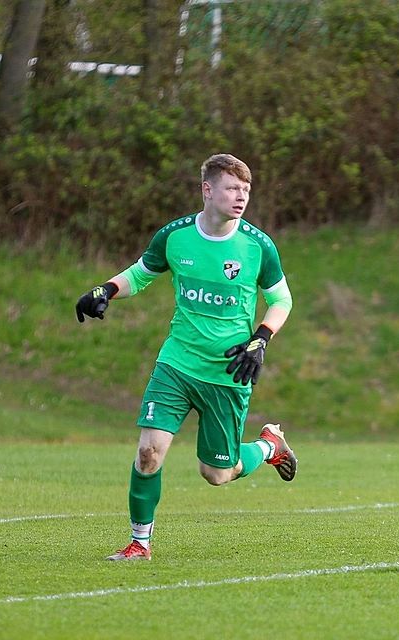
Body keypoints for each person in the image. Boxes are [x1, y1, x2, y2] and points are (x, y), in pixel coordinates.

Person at [75, 153, 296, 561]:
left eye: (246, 190)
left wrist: (260, 338)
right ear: (207, 190)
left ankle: (268, 445)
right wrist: (106, 289)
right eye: (232, 188)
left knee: (216, 474)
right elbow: (141, 273)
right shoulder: (175, 236)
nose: (240, 197)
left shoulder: (257, 246)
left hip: (228, 371)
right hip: (176, 364)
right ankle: (139, 543)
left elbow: (281, 299)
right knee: (148, 452)